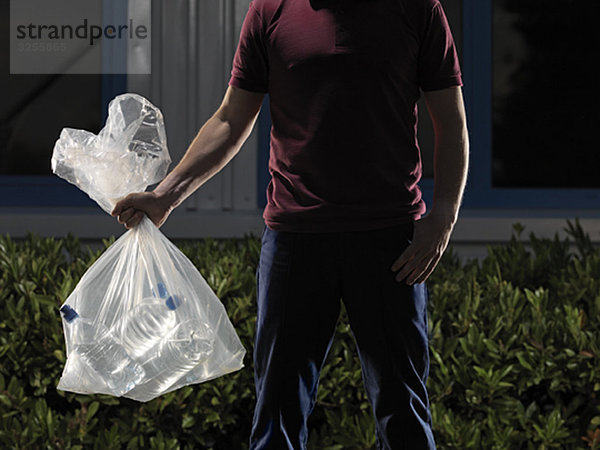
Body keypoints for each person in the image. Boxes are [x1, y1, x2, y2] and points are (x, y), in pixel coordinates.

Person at [112, 0, 468, 447]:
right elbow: (230, 118)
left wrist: (443, 217)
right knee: (278, 408)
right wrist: (166, 195)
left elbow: (451, 120)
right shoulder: (270, 11)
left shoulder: (417, 9)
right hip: (296, 238)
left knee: (403, 410)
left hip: (390, 241)